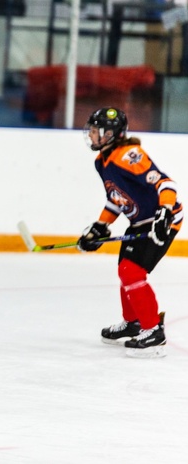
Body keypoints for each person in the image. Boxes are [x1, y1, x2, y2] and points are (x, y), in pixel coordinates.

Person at [77, 107, 182, 358]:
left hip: (162, 221)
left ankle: (152, 331)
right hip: (139, 222)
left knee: (131, 271)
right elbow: (116, 199)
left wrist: (164, 214)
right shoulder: (102, 161)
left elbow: (165, 183)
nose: (91, 136)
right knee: (125, 270)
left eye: (95, 131)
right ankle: (134, 322)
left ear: (110, 133)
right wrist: (100, 226)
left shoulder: (129, 155)